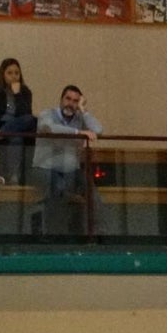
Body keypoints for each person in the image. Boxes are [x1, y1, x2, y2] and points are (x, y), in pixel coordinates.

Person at [30, 85, 103, 235]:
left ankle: (97, 234)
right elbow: (50, 128)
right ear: (61, 99)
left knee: (92, 192)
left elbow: (98, 130)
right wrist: (79, 132)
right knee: (58, 188)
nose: (70, 103)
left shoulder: (80, 117)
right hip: (44, 169)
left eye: (76, 101)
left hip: (72, 171)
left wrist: (84, 111)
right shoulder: (47, 114)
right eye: (68, 99)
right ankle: (56, 235)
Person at [0, 57, 37, 183]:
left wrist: (17, 94)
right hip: (0, 123)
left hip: (18, 125)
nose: (14, 76)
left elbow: (26, 114)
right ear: (3, 74)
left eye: (16, 73)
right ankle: (13, 174)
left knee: (31, 119)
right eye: (10, 73)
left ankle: (0, 136)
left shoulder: (25, 91)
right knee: (16, 138)